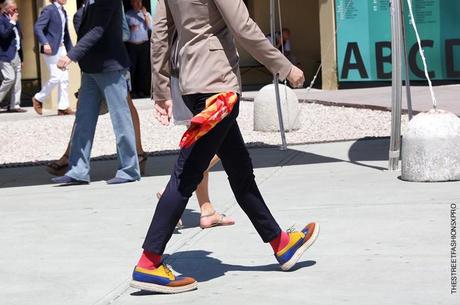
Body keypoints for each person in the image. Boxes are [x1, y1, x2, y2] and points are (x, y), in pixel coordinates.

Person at [130, 0, 319, 294]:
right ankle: (149, 261)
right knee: (186, 175)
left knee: (240, 170)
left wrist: (160, 89)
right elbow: (242, 26)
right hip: (218, 87)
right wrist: (284, 67)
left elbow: (161, 35)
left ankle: (281, 244)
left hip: (193, 84)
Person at [46, 1, 147, 177]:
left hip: (111, 67)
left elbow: (97, 30)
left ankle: (129, 170)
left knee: (121, 120)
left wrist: (71, 55)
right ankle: (78, 170)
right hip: (91, 68)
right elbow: (82, 24)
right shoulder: (88, 3)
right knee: (83, 121)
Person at [33, 0, 74, 116]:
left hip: (62, 49)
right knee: (56, 76)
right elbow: (38, 27)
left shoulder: (63, 11)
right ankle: (38, 98)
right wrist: (45, 43)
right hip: (51, 49)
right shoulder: (49, 9)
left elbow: (65, 34)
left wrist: (72, 51)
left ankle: (63, 107)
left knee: (64, 78)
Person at [0, 0, 26, 113]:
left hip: (16, 54)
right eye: (13, 9)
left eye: (17, 9)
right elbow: (3, 35)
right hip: (4, 55)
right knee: (9, 79)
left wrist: (22, 58)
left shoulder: (16, 22)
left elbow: (19, 40)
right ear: (6, 9)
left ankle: (14, 105)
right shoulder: (1, 20)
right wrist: (11, 22)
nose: (16, 12)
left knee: (17, 81)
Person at [125, 0, 152, 98]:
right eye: (136, 2)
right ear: (132, 3)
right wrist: (130, 28)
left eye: (140, 2)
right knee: (132, 69)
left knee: (143, 68)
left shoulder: (147, 14)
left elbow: (151, 27)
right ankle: (133, 91)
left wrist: (145, 15)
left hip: (143, 45)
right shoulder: (128, 15)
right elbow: (123, 29)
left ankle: (142, 90)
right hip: (132, 46)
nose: (139, 4)